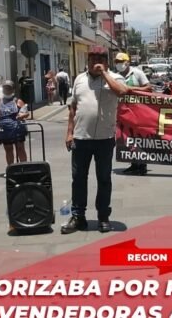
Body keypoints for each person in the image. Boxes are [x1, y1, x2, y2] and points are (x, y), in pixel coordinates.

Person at [62, 46, 129, 234]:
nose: (95, 62)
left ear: (106, 62)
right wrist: (69, 133)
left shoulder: (114, 78)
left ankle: (103, 217)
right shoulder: (79, 79)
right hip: (81, 138)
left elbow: (122, 92)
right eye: (92, 59)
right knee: (78, 179)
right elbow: (73, 107)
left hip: (105, 139)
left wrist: (105, 74)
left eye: (100, 59)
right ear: (87, 61)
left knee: (104, 178)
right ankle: (78, 217)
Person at [114, 52, 153, 176]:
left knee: (139, 138)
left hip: (138, 113)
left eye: (121, 62)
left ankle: (142, 165)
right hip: (123, 114)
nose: (119, 64)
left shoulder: (137, 73)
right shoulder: (115, 76)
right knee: (127, 139)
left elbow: (148, 88)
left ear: (127, 62)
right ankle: (133, 163)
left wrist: (132, 90)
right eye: (117, 62)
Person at [0, 80, 30, 165]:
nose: (7, 90)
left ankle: (24, 166)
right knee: (8, 149)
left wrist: (21, 116)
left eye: (9, 88)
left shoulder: (17, 101)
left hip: (17, 128)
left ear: (13, 90)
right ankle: (10, 168)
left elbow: (26, 113)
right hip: (5, 129)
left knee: (20, 148)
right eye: (5, 88)